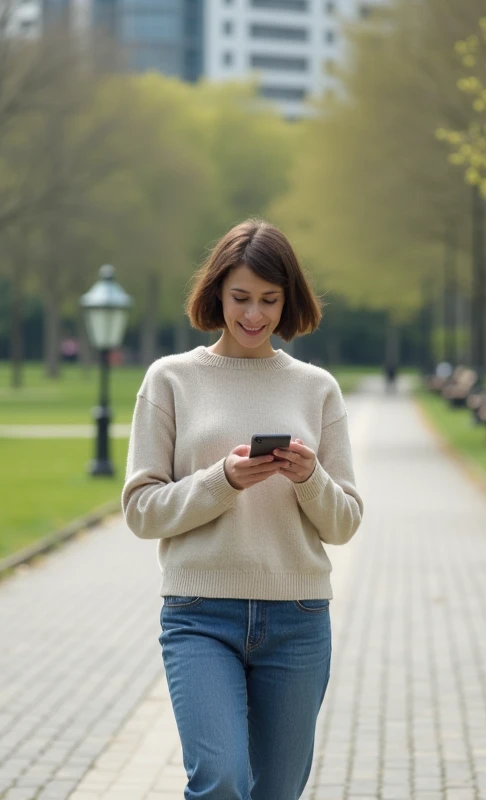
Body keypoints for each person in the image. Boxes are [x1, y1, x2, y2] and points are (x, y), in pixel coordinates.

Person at [122, 218, 364, 799]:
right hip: (200, 615)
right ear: (216, 293)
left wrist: (309, 478)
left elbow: (345, 522)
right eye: (240, 298)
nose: (253, 315)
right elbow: (141, 510)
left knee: (277, 791)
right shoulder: (171, 380)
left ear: (289, 301)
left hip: (298, 619)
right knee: (222, 780)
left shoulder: (317, 388)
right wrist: (222, 479)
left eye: (269, 300)